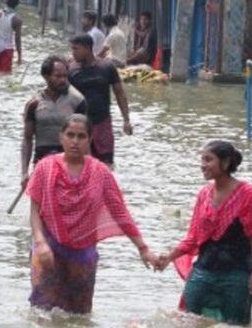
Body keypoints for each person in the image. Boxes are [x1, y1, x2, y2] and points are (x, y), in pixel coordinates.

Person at [26, 114, 156, 314]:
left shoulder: (100, 173)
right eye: (70, 135)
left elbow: (120, 213)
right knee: (41, 311)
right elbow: (35, 210)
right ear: (61, 137)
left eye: (81, 136)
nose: (75, 141)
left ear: (90, 139)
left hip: (83, 253)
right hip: (48, 248)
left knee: (78, 316)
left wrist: (143, 248)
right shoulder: (45, 167)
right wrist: (40, 242)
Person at [152, 141, 252, 325]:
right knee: (186, 323)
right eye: (202, 159)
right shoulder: (204, 194)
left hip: (237, 274)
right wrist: (169, 257)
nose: (203, 165)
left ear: (226, 163)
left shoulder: (247, 194)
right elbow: (193, 238)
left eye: (208, 160)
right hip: (204, 271)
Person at [21, 55, 87, 186]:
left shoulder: (77, 100)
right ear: (46, 77)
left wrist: (87, 168)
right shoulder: (34, 104)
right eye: (58, 76)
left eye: (65, 76)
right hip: (42, 162)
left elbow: (85, 137)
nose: (63, 80)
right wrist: (24, 172)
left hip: (71, 163)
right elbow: (27, 139)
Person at [68, 34, 133, 167]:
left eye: (76, 49)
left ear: (87, 48)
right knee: (82, 164)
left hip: (102, 123)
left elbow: (120, 94)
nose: (73, 53)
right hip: (80, 125)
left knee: (106, 163)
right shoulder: (71, 70)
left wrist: (126, 120)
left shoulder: (107, 67)